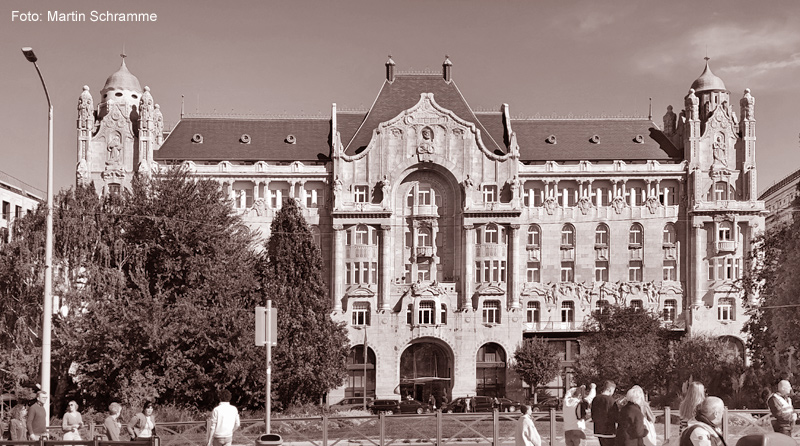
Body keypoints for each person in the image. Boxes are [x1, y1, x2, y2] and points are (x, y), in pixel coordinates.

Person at [592, 380, 618, 446]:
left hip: (598, 430)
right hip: (609, 431)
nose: (612, 393)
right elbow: (615, 416)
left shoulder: (595, 399)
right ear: (609, 389)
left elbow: (593, 413)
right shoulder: (611, 400)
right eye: (613, 390)